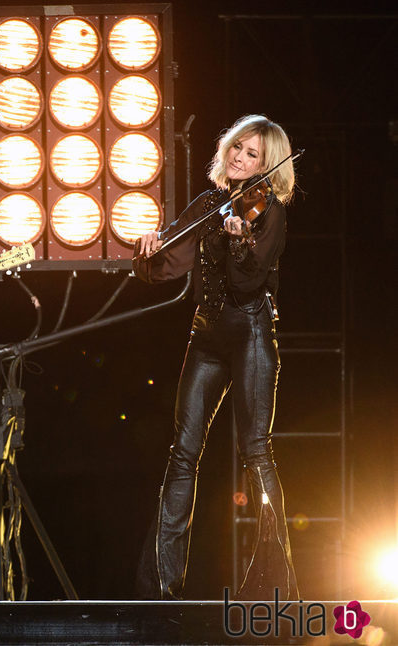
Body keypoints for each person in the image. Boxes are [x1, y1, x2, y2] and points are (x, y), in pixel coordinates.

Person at [133, 114, 299, 600]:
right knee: (183, 451)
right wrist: (147, 251)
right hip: (206, 334)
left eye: (252, 155)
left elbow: (249, 284)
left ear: (268, 166)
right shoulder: (209, 204)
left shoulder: (268, 212)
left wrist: (238, 241)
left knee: (256, 450)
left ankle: (273, 584)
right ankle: (160, 585)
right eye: (236, 148)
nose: (239, 158)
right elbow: (166, 266)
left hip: (250, 332)